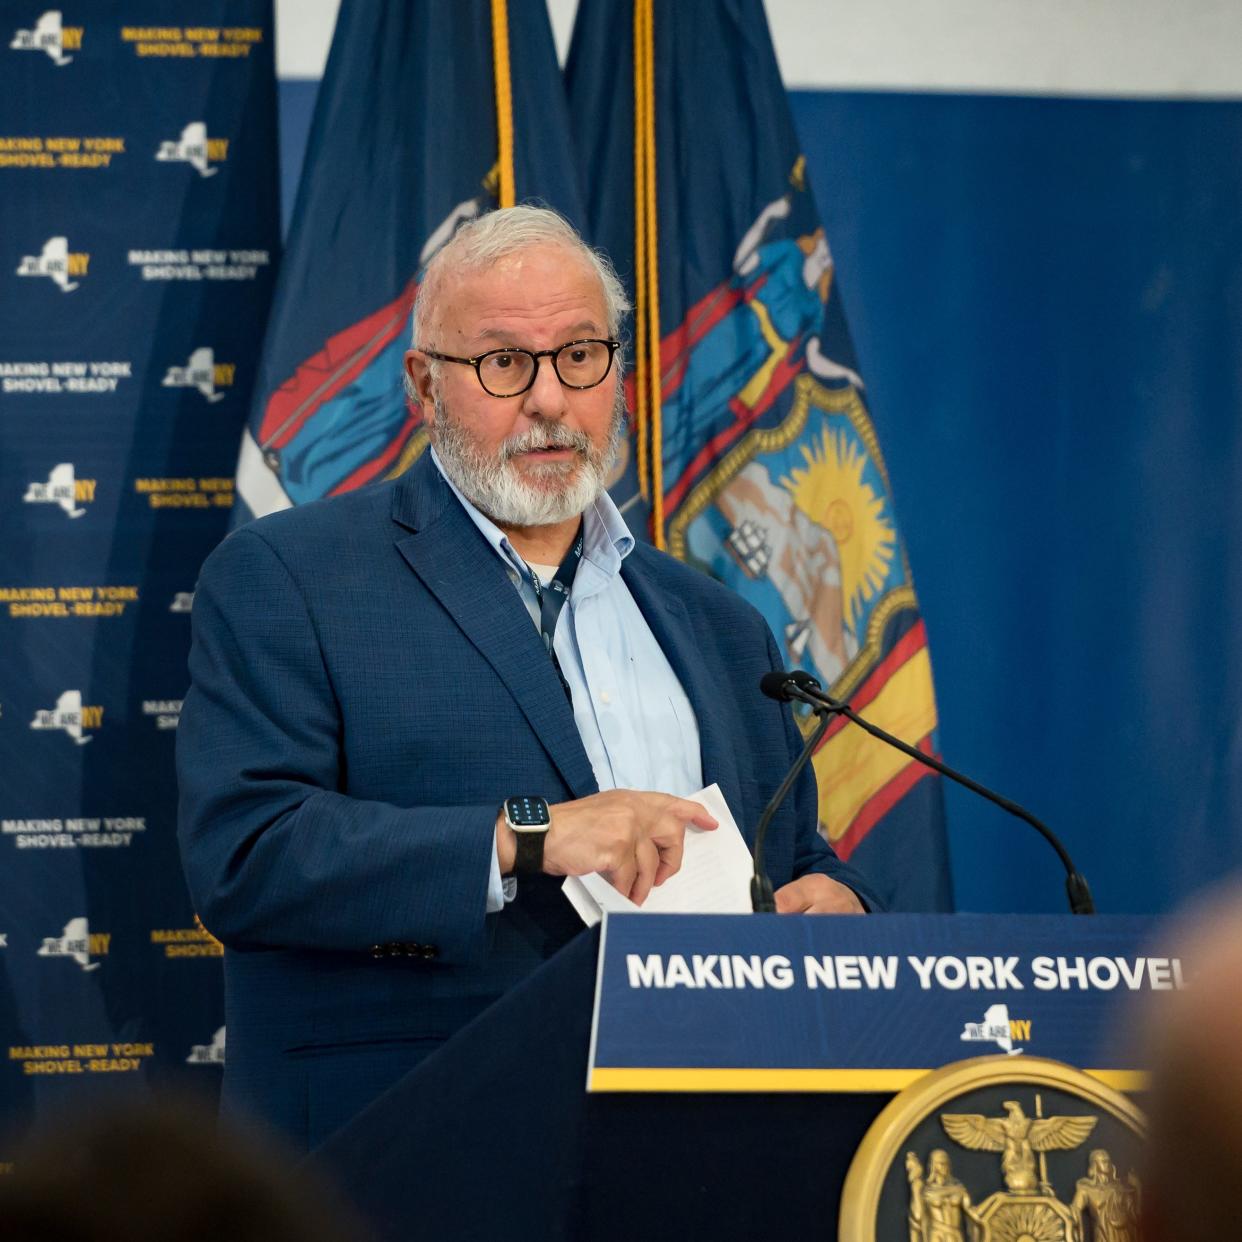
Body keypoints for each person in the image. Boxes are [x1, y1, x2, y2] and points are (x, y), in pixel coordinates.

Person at [177, 205, 881, 1152]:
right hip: (413, 1137)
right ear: (424, 384)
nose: (550, 399)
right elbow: (247, 854)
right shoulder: (291, 576)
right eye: (505, 363)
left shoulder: (717, 622)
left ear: (617, 375)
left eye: (580, 356)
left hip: (699, 1127)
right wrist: (530, 837)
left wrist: (837, 902)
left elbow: (796, 854)